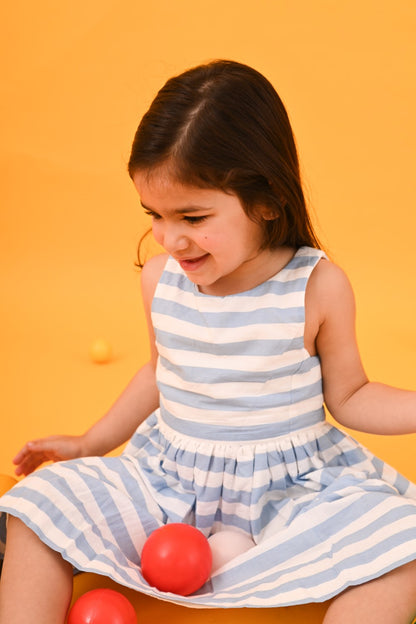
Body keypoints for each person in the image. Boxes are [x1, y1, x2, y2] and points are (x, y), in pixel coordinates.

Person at [0, 59, 416, 624]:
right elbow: (158, 373)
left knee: (403, 549)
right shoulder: (159, 280)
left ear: (267, 202)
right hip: (170, 485)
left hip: (289, 494)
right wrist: (89, 443)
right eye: (156, 215)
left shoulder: (316, 286)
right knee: (35, 511)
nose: (171, 239)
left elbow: (351, 395)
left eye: (193, 217)